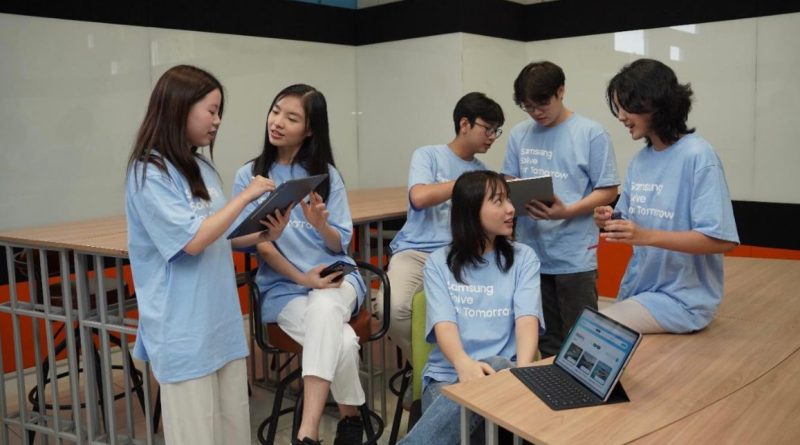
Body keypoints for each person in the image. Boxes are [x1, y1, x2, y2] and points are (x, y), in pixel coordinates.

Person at [125, 65, 291, 445]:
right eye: (211, 111)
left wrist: (264, 233)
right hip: (183, 330)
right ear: (179, 107)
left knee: (234, 431)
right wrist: (245, 197)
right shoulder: (148, 172)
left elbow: (219, 236)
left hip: (220, 324)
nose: (217, 121)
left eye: (219, 112)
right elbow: (193, 241)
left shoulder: (200, 166)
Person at [231, 84, 367, 445]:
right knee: (343, 340)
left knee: (324, 304)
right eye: (276, 111)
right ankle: (351, 419)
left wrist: (321, 225)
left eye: (291, 118)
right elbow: (253, 244)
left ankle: (307, 432)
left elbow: (340, 243)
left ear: (309, 130)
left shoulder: (326, 175)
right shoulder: (251, 176)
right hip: (283, 287)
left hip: (335, 277)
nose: (277, 122)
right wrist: (302, 277)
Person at [595, 58, 739, 333]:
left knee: (596, 330)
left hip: (683, 301)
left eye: (626, 107)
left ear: (655, 103)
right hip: (638, 290)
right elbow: (627, 221)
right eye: (618, 108)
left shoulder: (698, 155)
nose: (621, 117)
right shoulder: (640, 161)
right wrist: (608, 219)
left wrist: (645, 235)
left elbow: (722, 240)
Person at [399, 170, 543, 445]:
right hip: (449, 378)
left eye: (508, 199)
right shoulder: (438, 263)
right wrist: (463, 364)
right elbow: (444, 324)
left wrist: (524, 374)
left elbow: (527, 321)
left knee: (496, 366)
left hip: (505, 377)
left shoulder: (524, 259)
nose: (511, 209)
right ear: (471, 209)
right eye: (498, 201)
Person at [502, 61, 619, 357]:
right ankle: (550, 383)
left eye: (542, 104)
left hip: (574, 253)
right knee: (546, 339)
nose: (536, 113)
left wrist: (567, 211)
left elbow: (608, 190)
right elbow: (509, 181)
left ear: (561, 91)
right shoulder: (519, 134)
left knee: (583, 339)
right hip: (530, 252)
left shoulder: (591, 133)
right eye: (528, 107)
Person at [384, 92, 505, 362]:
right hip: (416, 251)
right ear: (464, 124)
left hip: (459, 254)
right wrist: (466, 183)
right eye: (487, 129)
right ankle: (432, 367)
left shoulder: (483, 171)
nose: (492, 137)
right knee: (391, 309)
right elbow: (419, 198)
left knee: (480, 313)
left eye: (496, 131)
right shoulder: (428, 156)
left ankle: (455, 365)